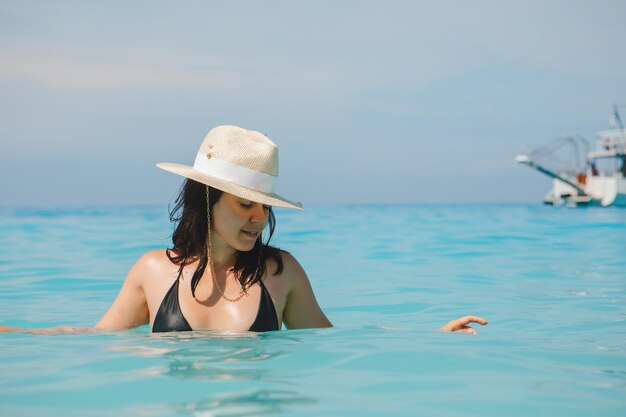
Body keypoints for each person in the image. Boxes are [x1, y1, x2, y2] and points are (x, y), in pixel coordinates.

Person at [0, 125, 486, 334]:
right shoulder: (152, 271)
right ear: (207, 197)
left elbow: (334, 340)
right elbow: (92, 335)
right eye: (246, 204)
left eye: (264, 206)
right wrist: (13, 333)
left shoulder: (281, 272)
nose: (258, 217)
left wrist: (429, 336)